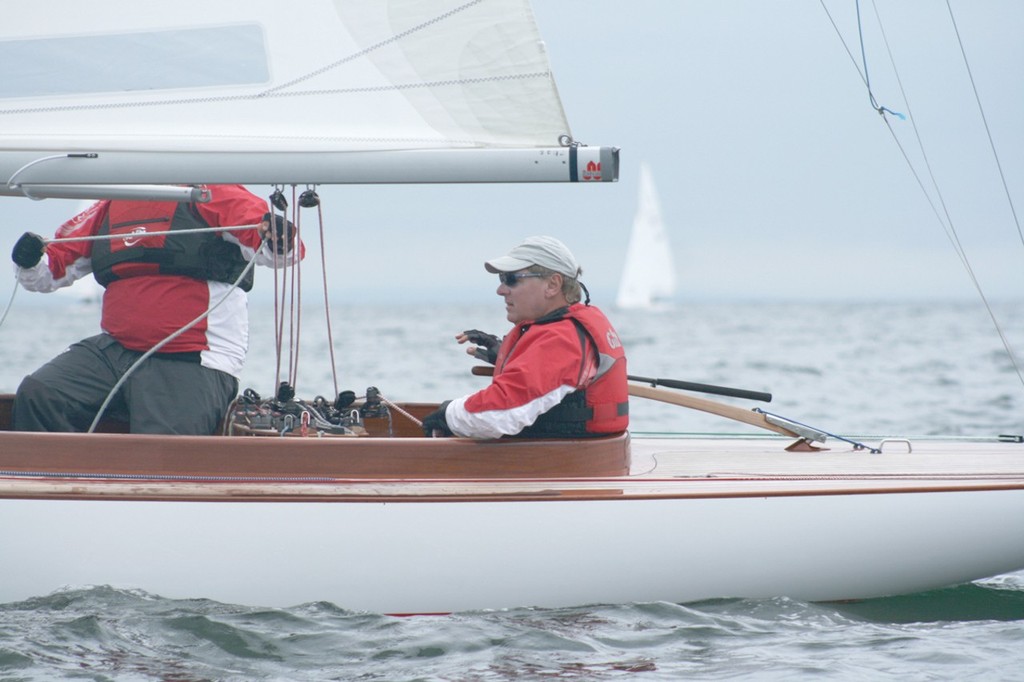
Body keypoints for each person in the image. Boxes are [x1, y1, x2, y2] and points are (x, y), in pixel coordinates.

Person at [9, 184, 303, 434]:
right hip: (115, 351)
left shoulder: (212, 192)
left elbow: (276, 248)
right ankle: (48, 490)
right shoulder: (112, 201)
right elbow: (53, 268)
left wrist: (279, 237)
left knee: (160, 455)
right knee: (41, 394)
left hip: (190, 356)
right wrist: (31, 260)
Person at [421, 236, 629, 439]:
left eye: (511, 279)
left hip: (563, 466)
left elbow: (498, 413)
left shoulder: (561, 340)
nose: (501, 290)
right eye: (502, 279)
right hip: (576, 459)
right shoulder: (568, 332)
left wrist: (448, 414)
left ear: (552, 285)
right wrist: (508, 355)